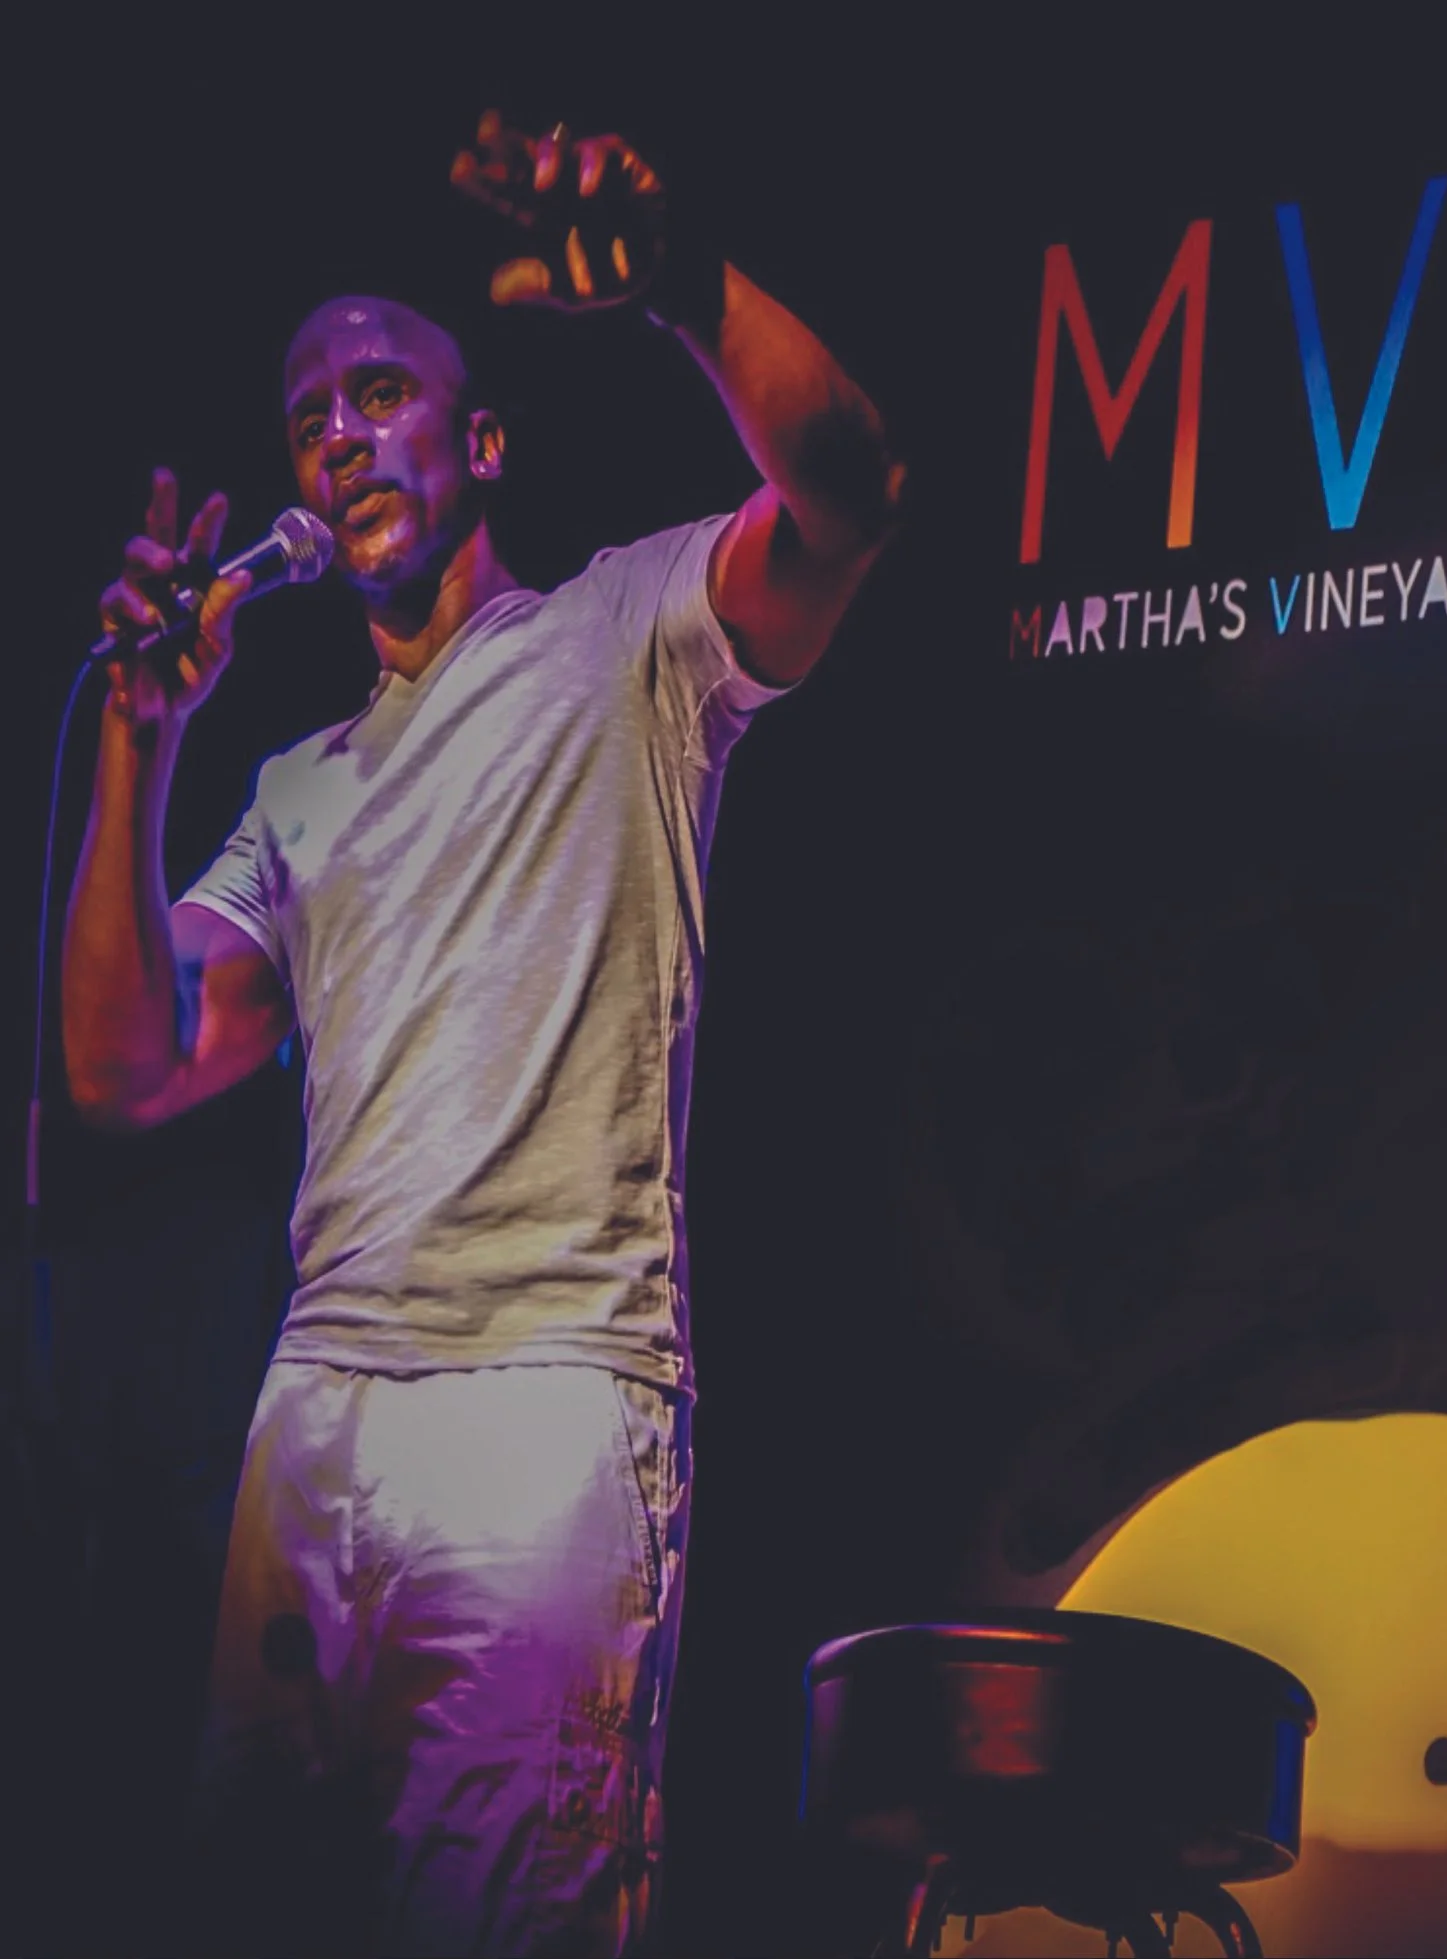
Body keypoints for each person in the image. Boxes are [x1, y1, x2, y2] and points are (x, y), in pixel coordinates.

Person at [60, 111, 898, 1955]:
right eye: (308, 415)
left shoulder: (628, 635)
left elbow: (846, 489)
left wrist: (679, 286)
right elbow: (121, 1068)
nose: (341, 428)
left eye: (378, 390)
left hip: (546, 1401)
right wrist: (135, 736)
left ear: (481, 438)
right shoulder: (297, 788)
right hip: (317, 1416)